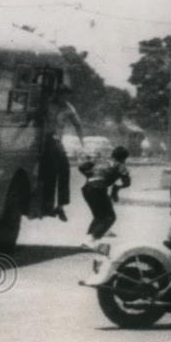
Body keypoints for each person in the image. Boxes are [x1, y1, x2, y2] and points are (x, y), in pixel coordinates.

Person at [38, 86, 83, 222]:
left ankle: (61, 205)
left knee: (65, 170)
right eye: (62, 95)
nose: (65, 98)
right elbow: (37, 118)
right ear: (57, 95)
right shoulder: (48, 105)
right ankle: (48, 205)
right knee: (50, 173)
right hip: (45, 140)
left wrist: (82, 140)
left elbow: (78, 124)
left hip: (57, 141)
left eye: (67, 96)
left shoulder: (68, 107)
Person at [79, 146, 131, 247]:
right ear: (124, 158)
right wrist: (117, 188)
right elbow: (127, 182)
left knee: (98, 216)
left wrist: (90, 174)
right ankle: (90, 239)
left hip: (87, 188)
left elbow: (81, 167)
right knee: (110, 217)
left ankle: (88, 238)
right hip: (98, 189)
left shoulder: (102, 162)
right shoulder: (121, 165)